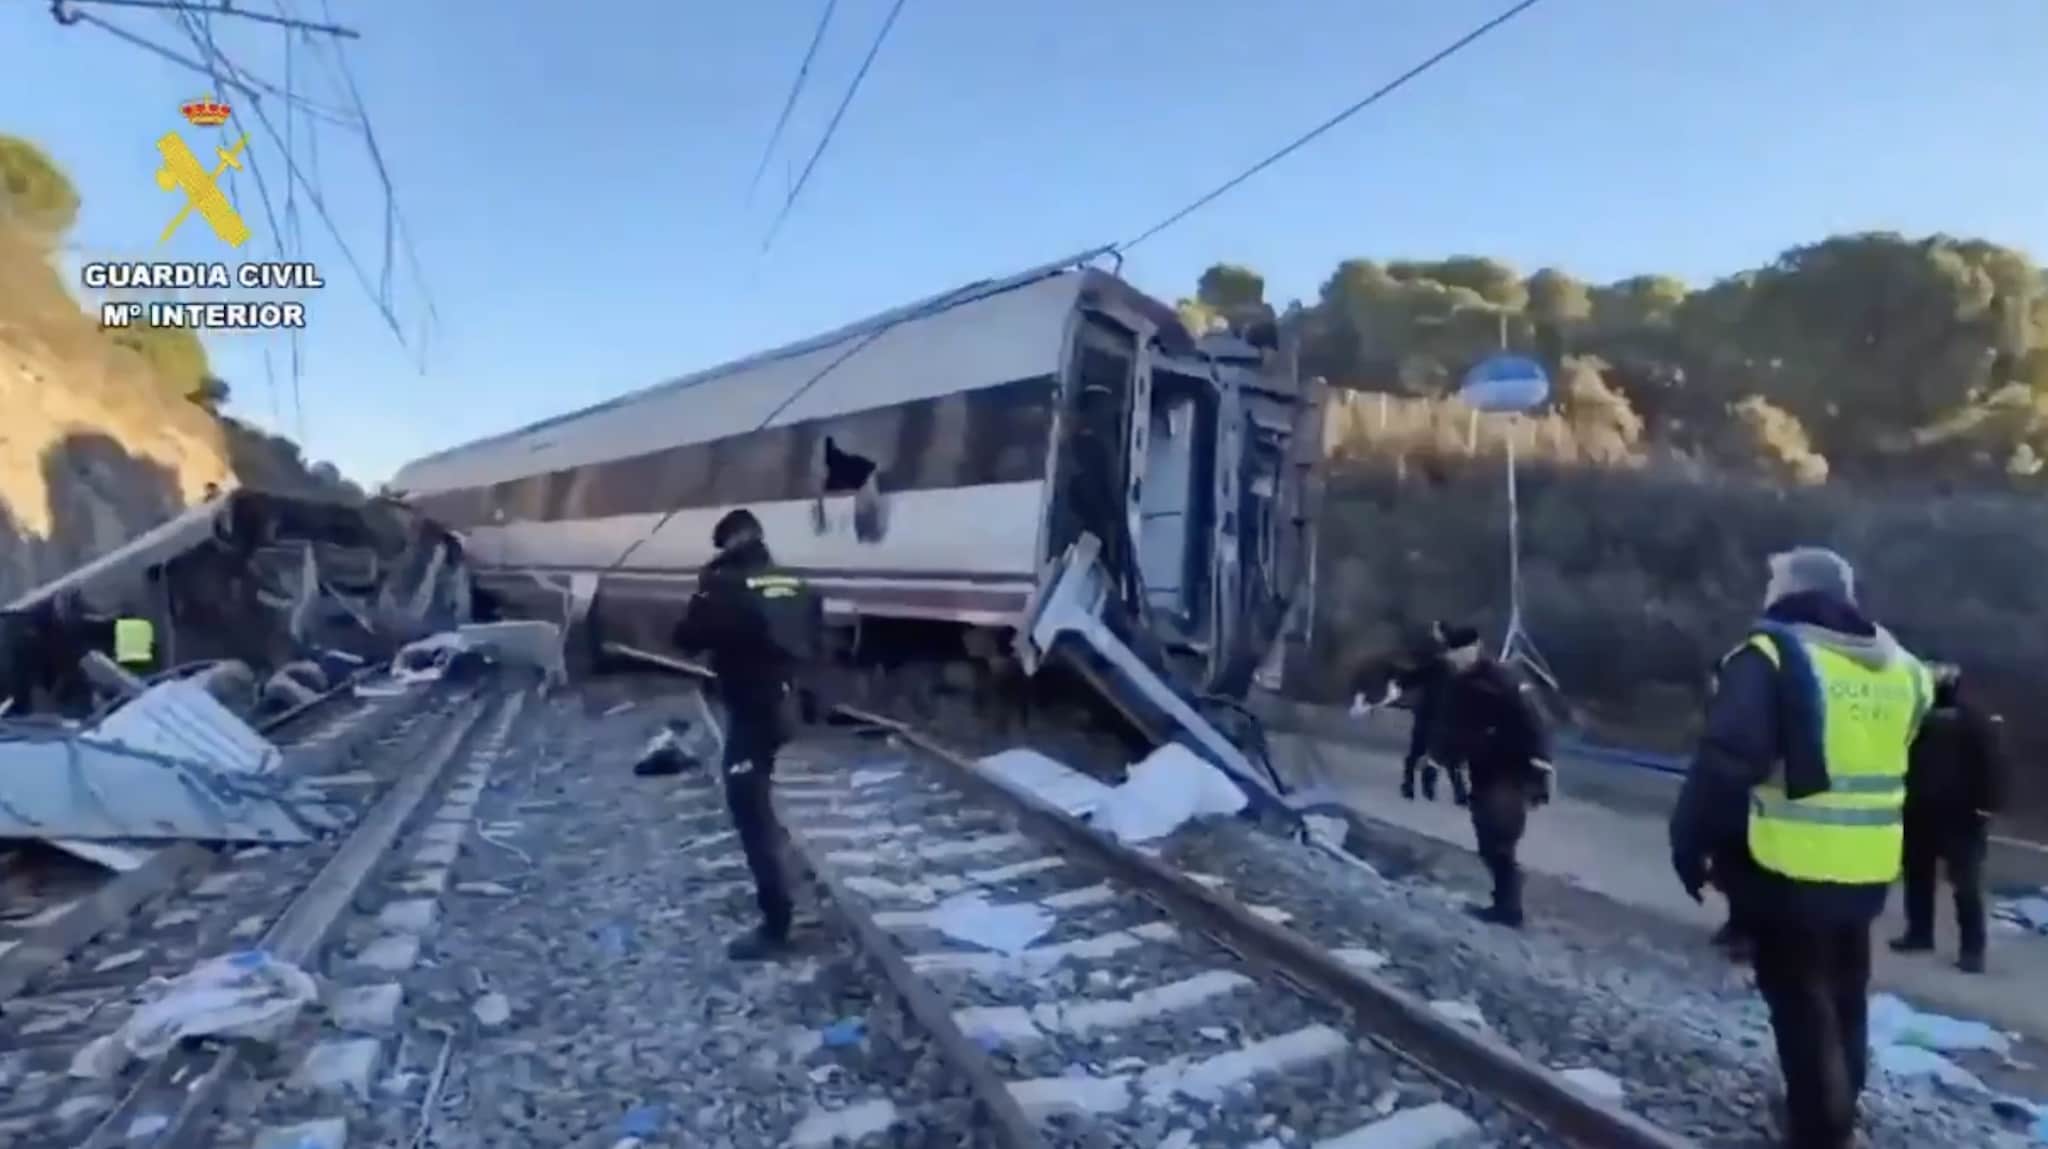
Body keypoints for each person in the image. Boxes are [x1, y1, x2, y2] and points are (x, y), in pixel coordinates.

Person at [1670, 546, 1932, 1149]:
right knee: (1844, 994)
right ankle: (1838, 1110)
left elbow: (1726, 761)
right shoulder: (1904, 668)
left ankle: (1819, 1131)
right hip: (1867, 868)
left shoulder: (1770, 657)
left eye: (1771, 583)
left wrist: (1689, 842)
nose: (1765, 595)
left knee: (1800, 1004)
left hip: (1787, 864)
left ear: (1791, 591)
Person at [671, 508, 824, 960]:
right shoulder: (795, 581)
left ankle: (776, 926)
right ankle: (781, 901)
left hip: (750, 711)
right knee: (759, 802)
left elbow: (685, 639)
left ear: (729, 543)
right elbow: (813, 639)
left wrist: (704, 591)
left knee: (748, 810)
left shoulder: (722, 586)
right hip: (787, 706)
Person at [1432, 624, 1554, 927]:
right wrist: (1446, 765)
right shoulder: (1456, 685)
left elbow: (1536, 724)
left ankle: (1509, 907)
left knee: (1500, 833)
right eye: (1449, 654)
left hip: (1512, 769)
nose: (1452, 659)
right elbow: (1452, 729)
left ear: (1473, 649)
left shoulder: (1503, 679)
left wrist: (1539, 774)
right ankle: (1505, 895)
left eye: (1457, 653)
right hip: (1482, 768)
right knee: (1487, 838)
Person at [1890, 661, 2005, 973]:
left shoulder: (1972, 718)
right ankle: (1919, 934)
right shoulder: (1916, 715)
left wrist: (1987, 805)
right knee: (1917, 875)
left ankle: (1972, 950)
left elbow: (1991, 764)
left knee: (1965, 883)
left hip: (1961, 814)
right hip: (1919, 809)